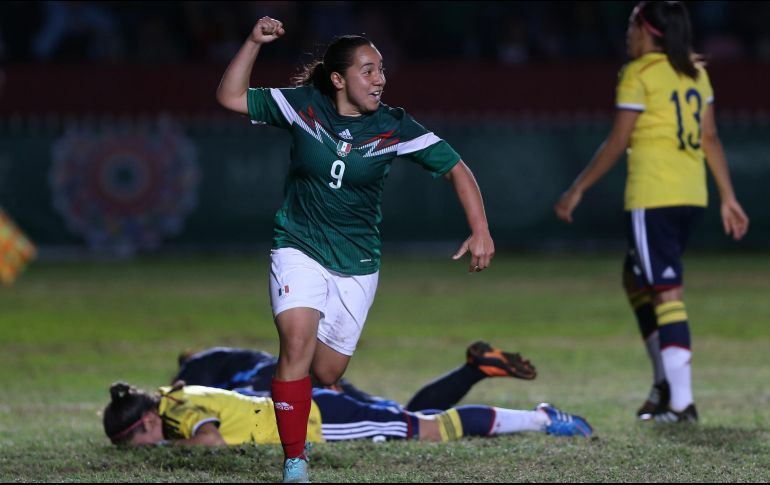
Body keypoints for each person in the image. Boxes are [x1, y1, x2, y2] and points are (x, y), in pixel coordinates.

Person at [215, 16, 495, 482]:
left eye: (382, 69)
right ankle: (295, 462)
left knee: (326, 372)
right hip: (298, 245)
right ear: (339, 78)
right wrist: (251, 42)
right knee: (295, 342)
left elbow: (456, 168)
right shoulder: (302, 106)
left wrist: (480, 229)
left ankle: (298, 420)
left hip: (357, 260)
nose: (380, 78)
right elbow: (229, 96)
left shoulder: (394, 126)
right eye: (368, 70)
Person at [554, 1, 749, 424]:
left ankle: (681, 402)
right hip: (691, 195)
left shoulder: (638, 74)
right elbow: (711, 137)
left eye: (631, 26)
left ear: (648, 32)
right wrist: (728, 197)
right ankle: (665, 385)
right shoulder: (696, 71)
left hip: (654, 196)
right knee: (635, 279)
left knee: (666, 292)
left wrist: (577, 189)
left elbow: (618, 140)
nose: (627, 35)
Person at [102, 381, 592, 452]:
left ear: (144, 424)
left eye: (135, 446)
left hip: (318, 419)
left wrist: (172, 451)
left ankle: (542, 420)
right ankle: (540, 417)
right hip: (315, 407)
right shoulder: (173, 395)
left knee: (430, 430)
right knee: (419, 418)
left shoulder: (177, 412)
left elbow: (208, 441)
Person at [173, 341, 537, 412]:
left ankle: (474, 370)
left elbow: (183, 396)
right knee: (404, 417)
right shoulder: (229, 357)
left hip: (276, 381)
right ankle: (473, 370)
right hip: (308, 375)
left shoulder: (201, 364)